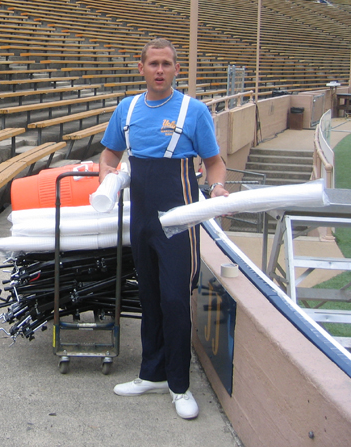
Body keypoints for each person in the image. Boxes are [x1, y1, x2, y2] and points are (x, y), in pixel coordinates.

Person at [98, 38, 229, 420]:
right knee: (151, 296)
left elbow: (215, 164)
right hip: (141, 216)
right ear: (141, 68)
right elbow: (109, 155)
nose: (159, 70)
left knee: (175, 300)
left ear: (176, 69)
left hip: (180, 219)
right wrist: (108, 174)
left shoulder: (194, 111)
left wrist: (218, 186)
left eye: (166, 64)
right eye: (153, 63)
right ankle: (151, 374)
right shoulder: (128, 109)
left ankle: (179, 384)